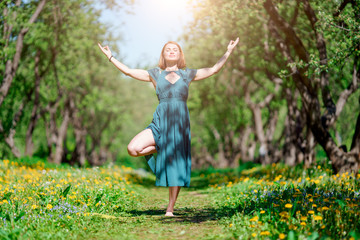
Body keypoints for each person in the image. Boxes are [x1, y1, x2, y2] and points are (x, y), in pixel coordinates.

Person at [98, 38, 239, 216]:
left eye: (175, 49)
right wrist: (111, 57)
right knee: (133, 148)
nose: (171, 51)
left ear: (180, 55)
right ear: (163, 55)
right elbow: (129, 71)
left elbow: (213, 69)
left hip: (179, 124)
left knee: (177, 165)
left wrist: (228, 51)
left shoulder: (187, 74)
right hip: (160, 121)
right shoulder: (155, 74)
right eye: (168, 49)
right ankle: (162, 148)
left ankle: (170, 208)